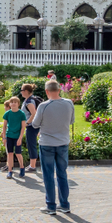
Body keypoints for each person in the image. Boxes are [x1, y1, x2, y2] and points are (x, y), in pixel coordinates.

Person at [32, 79, 75, 215]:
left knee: (48, 175)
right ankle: (64, 204)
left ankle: (51, 205)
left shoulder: (43, 106)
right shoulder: (69, 103)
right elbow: (72, 120)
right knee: (62, 174)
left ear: (46, 91)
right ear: (59, 89)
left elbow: (35, 124)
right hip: (63, 143)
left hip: (47, 143)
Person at [2, 97, 27, 180]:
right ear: (9, 104)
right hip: (9, 136)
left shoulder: (21, 114)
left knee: (18, 153)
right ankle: (10, 171)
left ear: (18, 104)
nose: (13, 103)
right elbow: (4, 126)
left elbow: (23, 127)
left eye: (15, 102)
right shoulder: (7, 113)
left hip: (17, 136)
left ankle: (22, 168)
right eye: (12, 102)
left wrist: (20, 138)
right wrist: (4, 137)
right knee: (10, 154)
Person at [20, 83, 41, 172]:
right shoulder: (31, 99)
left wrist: (27, 123)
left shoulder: (29, 102)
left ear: (26, 91)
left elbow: (34, 113)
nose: (21, 92)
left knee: (31, 145)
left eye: (22, 90)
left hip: (32, 126)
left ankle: (32, 166)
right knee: (32, 144)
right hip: (35, 125)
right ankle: (32, 164)